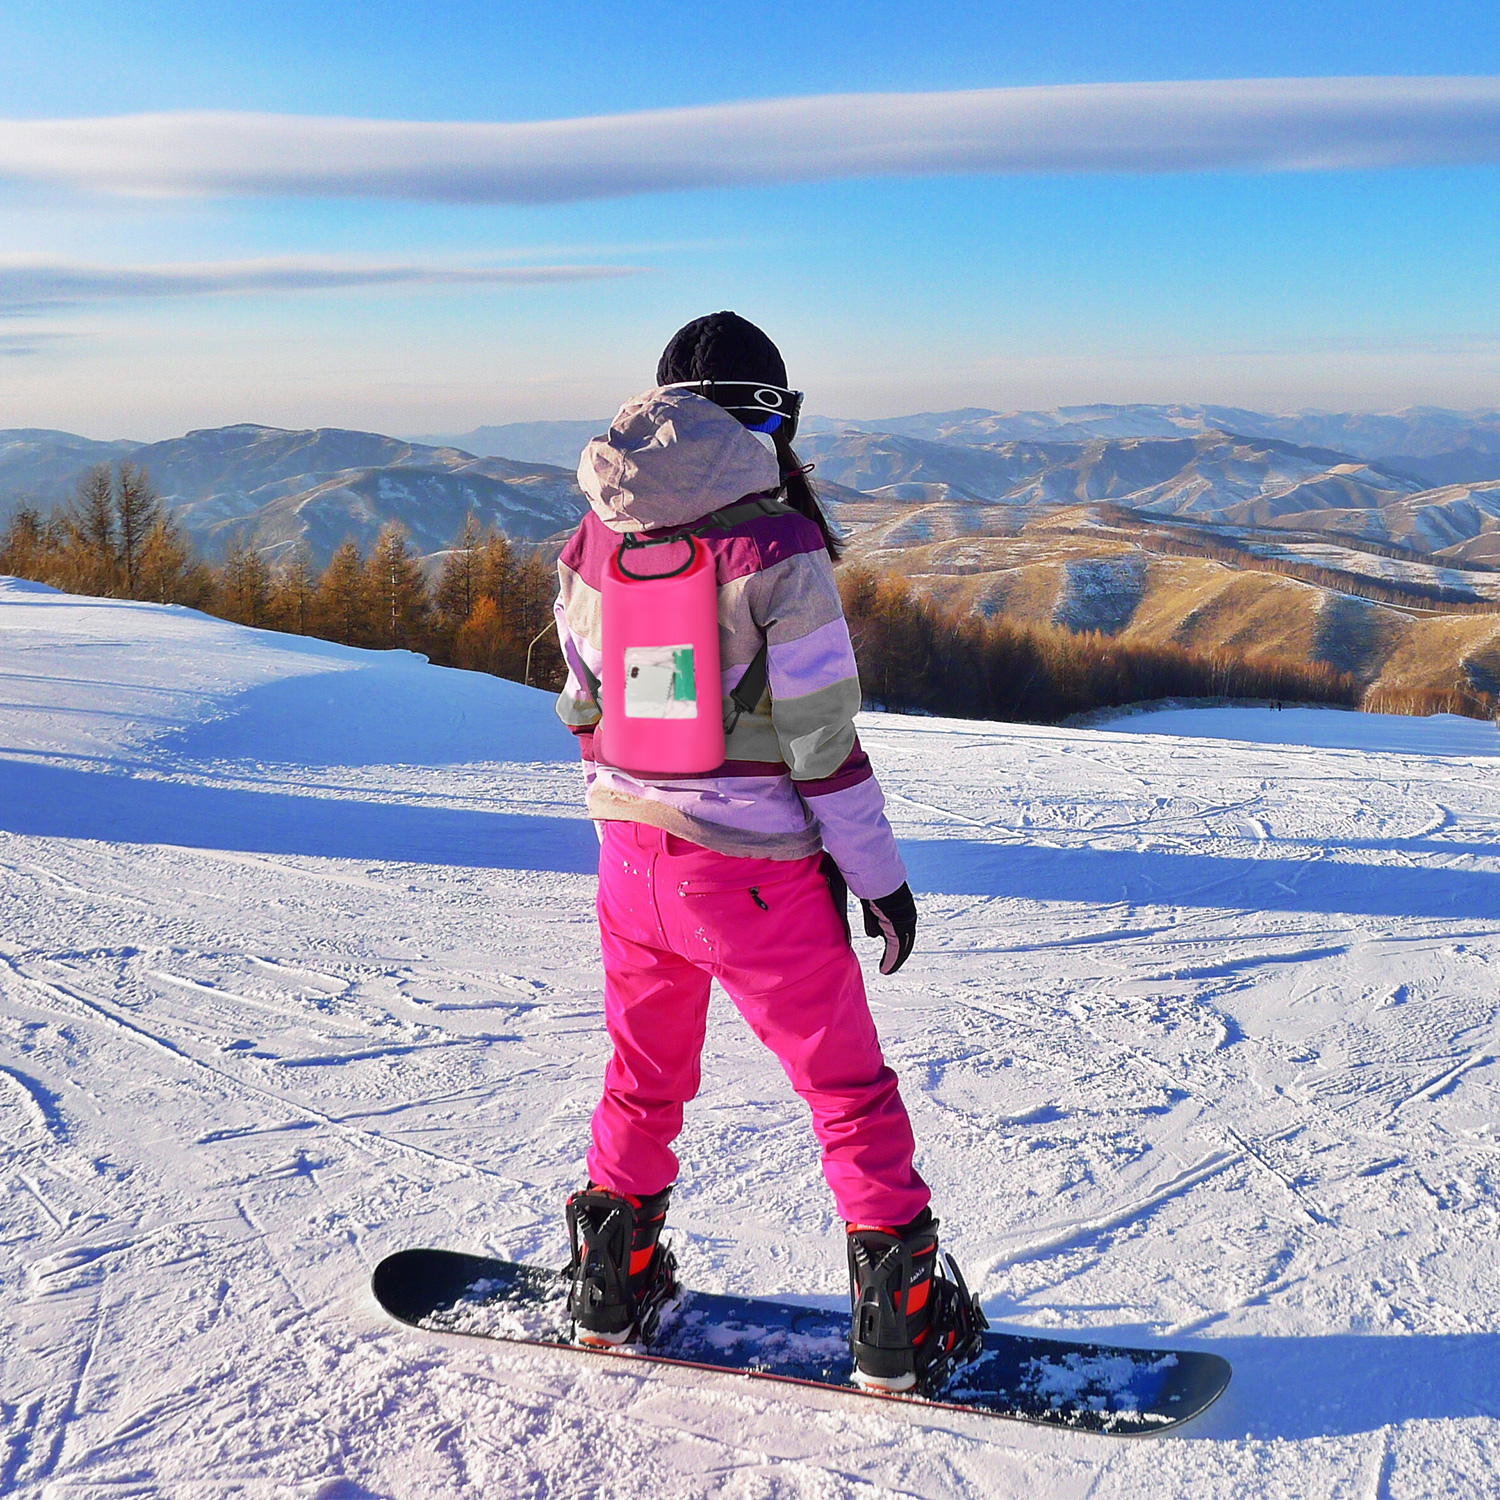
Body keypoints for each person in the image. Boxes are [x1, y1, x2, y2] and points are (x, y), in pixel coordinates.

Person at [551, 311, 983, 1392]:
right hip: (748, 877)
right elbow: (823, 748)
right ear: (770, 416)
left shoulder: (596, 536)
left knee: (642, 1076)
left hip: (629, 859)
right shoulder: (777, 548)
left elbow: (581, 704)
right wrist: (880, 883)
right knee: (846, 1089)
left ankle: (611, 1281)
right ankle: (900, 1324)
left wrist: (633, 810)